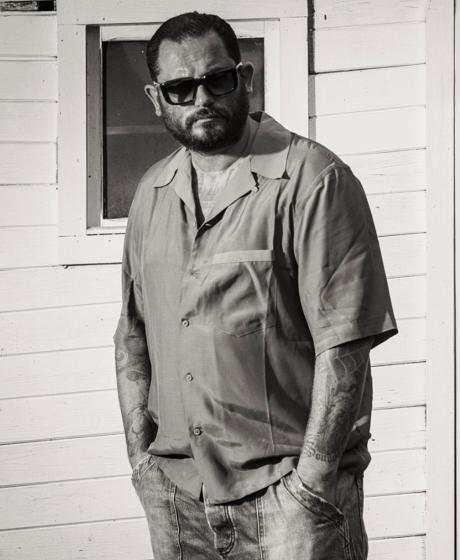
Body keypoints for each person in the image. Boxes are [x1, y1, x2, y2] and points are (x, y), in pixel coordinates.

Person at [114, 11, 398, 560]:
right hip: (178, 498)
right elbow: (132, 336)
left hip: (288, 501)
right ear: (155, 98)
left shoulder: (313, 180)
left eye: (216, 79)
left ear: (244, 77)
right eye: (180, 88)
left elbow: (345, 344)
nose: (201, 98)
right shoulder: (151, 193)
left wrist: (312, 483)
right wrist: (142, 462)